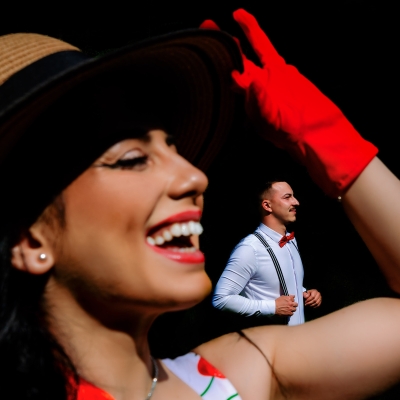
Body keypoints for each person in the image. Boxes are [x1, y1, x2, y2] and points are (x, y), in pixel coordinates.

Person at [3, 8, 400, 400]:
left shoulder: (241, 375)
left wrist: (330, 141)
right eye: (132, 159)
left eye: (173, 148)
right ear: (31, 240)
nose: (195, 177)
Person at [212, 180, 322, 325]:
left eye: (293, 196)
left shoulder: (291, 241)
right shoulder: (250, 248)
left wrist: (305, 293)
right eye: (287, 197)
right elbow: (221, 299)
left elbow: (275, 284)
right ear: (267, 206)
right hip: (272, 337)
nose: (296, 202)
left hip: (299, 336)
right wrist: (272, 307)